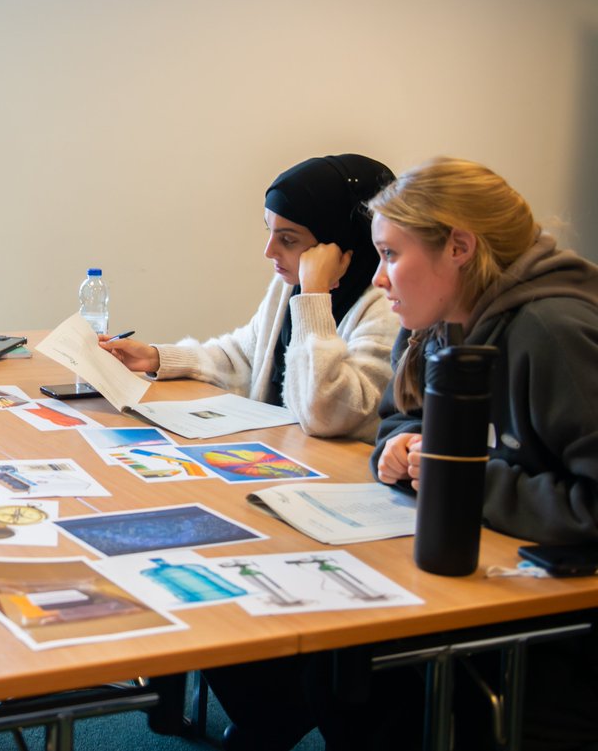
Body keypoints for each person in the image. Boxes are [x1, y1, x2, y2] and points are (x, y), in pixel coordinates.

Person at [369, 156, 598, 750]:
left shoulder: (553, 331)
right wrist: (398, 446)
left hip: (566, 626)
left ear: (459, 247)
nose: (378, 278)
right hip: (489, 575)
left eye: (391, 254)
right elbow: (400, 414)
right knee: (347, 673)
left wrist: (459, 479)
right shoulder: (435, 323)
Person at [102, 154, 399, 442]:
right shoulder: (291, 284)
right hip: (287, 454)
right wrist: (156, 357)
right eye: (270, 231)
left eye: (288, 239)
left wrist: (314, 296)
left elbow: (324, 414)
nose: (269, 251)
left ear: (343, 244)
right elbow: (244, 357)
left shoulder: (388, 308)